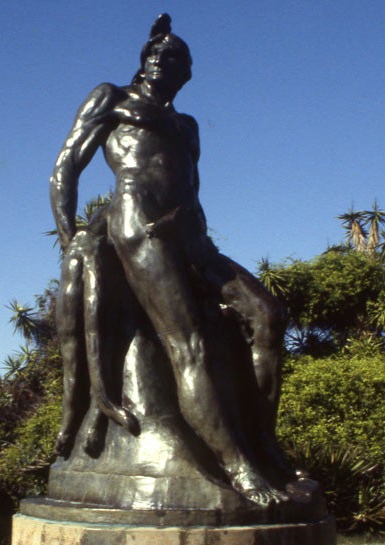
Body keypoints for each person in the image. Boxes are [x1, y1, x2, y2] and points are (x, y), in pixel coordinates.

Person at [50, 14, 292, 505]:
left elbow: (192, 185)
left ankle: (262, 441)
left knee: (269, 317)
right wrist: (68, 234)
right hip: (139, 225)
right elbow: (65, 166)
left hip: (192, 236)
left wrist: (199, 245)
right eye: (155, 54)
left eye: (173, 57)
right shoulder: (113, 98)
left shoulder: (187, 126)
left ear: (187, 72)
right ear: (143, 62)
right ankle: (236, 465)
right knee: (189, 344)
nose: (161, 61)